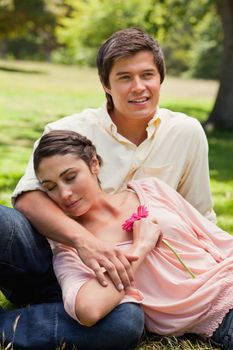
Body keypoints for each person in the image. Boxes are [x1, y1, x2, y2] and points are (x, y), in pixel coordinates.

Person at [0, 27, 215, 349]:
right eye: (124, 77)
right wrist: (84, 242)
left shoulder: (185, 133)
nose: (138, 88)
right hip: (55, 264)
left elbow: (198, 213)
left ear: (161, 78)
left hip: (120, 285)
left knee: (125, 323)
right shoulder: (67, 130)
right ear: (106, 84)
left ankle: (16, 326)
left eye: (147, 75)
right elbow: (29, 198)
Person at [33, 129, 233, 350]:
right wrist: (140, 248)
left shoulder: (151, 189)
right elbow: (89, 310)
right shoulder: (72, 249)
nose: (65, 194)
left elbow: (219, 240)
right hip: (222, 317)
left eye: (70, 177)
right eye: (50, 188)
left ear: (94, 164)